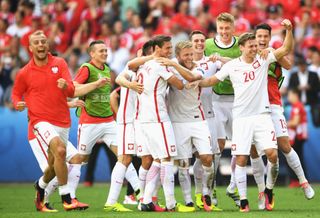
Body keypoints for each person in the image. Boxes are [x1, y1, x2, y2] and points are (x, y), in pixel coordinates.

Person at [188, 19, 294, 212]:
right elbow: (213, 79)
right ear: (242, 48)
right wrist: (198, 82)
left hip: (262, 116)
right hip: (242, 119)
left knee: (272, 155)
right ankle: (244, 200)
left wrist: (289, 31)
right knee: (242, 159)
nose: (255, 48)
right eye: (251, 46)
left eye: (256, 45)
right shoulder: (232, 66)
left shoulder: (263, 60)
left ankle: (269, 190)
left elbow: (285, 50)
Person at [11, 30, 108, 212]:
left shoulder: (60, 63)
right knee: (61, 152)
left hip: (62, 121)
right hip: (39, 122)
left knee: (56, 165)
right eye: (37, 42)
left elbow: (71, 89)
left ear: (47, 45)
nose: (41, 45)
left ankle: (40, 186)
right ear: (30, 48)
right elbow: (16, 93)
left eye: (43, 42)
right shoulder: (24, 72)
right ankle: (67, 198)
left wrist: (67, 86)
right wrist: (17, 103)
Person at [249, 23, 315, 210]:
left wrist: (273, 52)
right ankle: (263, 191)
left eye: (265, 37)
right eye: (259, 36)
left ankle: (303, 182)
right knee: (254, 151)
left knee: (284, 145)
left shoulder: (274, 52)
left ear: (269, 37)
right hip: (252, 108)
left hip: (274, 105)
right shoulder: (247, 53)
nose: (261, 40)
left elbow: (288, 63)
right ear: (254, 38)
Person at [72, 40, 140, 209]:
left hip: (108, 121)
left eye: (105, 50)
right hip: (89, 122)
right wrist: (95, 84)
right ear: (92, 54)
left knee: (124, 156)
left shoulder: (107, 69)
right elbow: (74, 88)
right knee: (80, 160)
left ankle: (140, 192)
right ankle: (64, 194)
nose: (104, 53)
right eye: (101, 51)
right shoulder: (86, 68)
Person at [136, 35, 195, 212]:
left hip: (145, 118)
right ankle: (171, 203)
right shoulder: (158, 65)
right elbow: (179, 85)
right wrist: (174, 68)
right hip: (158, 118)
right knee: (167, 158)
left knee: (157, 159)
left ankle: (145, 201)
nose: (170, 52)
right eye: (167, 48)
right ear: (157, 49)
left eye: (171, 48)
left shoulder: (143, 65)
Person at [162, 40, 215, 212]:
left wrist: (173, 65)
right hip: (178, 122)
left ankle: (205, 193)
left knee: (207, 157)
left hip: (198, 120)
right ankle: (188, 200)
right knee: (183, 163)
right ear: (178, 56)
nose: (190, 58)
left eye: (191, 54)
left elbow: (194, 77)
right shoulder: (169, 69)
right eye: (186, 55)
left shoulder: (197, 67)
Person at [104, 41, 151, 212]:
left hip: (141, 121)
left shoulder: (150, 71)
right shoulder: (131, 69)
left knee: (147, 158)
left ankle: (145, 198)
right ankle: (111, 202)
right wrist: (119, 117)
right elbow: (117, 81)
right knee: (125, 158)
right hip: (128, 121)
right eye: (148, 54)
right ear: (140, 53)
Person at [204, 12, 241, 206]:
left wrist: (223, 60)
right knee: (217, 147)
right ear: (217, 29)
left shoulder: (240, 44)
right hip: (217, 100)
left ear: (233, 28)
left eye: (227, 28)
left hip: (238, 101)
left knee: (240, 146)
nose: (224, 32)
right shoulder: (208, 45)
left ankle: (234, 186)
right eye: (221, 29)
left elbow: (243, 63)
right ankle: (212, 189)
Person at [190, 30, 229, 209]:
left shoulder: (210, 61)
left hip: (209, 113)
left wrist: (220, 58)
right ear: (190, 43)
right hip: (189, 116)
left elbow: (235, 65)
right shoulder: (185, 63)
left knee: (212, 154)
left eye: (201, 40)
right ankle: (200, 193)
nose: (199, 43)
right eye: (196, 40)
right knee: (194, 157)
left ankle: (206, 191)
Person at [28, 100, 89, 212]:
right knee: (56, 169)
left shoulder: (59, 82)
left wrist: (96, 84)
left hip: (57, 129)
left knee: (76, 158)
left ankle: (71, 199)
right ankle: (42, 198)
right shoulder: (38, 85)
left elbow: (71, 89)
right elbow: (42, 103)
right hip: (39, 132)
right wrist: (69, 103)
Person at [287, 88, 309, 187]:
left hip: (297, 136)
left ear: (295, 95)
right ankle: (300, 180)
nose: (288, 97)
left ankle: (296, 180)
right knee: (299, 157)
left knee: (294, 157)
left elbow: (295, 122)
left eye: (290, 95)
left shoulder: (297, 106)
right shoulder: (298, 106)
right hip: (300, 136)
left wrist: (284, 124)